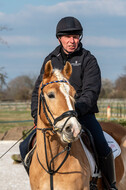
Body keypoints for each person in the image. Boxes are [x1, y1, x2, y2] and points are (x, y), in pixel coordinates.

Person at [20, 16, 117, 189]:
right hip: (53, 118)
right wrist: (36, 116)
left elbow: (91, 91)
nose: (72, 41)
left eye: (75, 37)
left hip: (82, 115)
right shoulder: (50, 59)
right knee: (23, 146)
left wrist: (73, 111)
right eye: (68, 37)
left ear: (79, 38)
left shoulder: (88, 60)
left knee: (102, 146)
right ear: (59, 38)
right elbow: (38, 91)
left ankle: (111, 184)